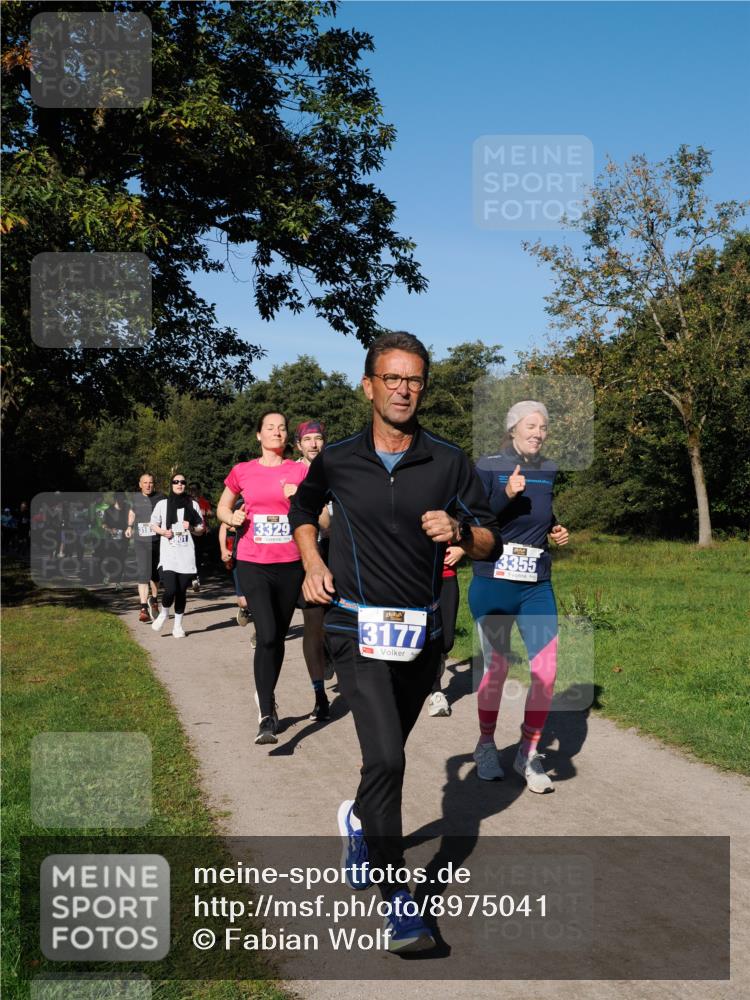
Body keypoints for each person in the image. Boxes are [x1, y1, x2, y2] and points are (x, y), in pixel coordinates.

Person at [290, 331, 502, 953]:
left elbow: (491, 537)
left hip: (421, 631)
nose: (404, 389)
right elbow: (303, 507)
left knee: (387, 754)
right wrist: (309, 559)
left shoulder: (448, 460)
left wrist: (462, 529)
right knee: (387, 759)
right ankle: (400, 903)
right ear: (369, 386)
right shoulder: (338, 459)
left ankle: (359, 820)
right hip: (352, 624)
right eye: (392, 378)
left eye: (414, 380)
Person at [469, 400, 570, 792]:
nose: (538, 432)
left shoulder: (549, 469)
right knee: (497, 668)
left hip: (537, 585)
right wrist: (505, 494)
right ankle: (485, 745)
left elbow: (542, 513)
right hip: (494, 580)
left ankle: (527, 752)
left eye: (543, 427)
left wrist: (556, 529)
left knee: (546, 672)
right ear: (512, 429)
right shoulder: (488, 466)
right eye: (531, 426)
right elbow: (475, 519)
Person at [216, 412, 308, 745]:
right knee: (267, 633)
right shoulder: (243, 471)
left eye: (282, 427)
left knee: (277, 638)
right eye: (270, 427)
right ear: (259, 435)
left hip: (290, 563)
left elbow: (324, 520)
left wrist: (300, 497)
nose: (276, 431)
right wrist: (233, 516)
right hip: (253, 561)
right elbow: (222, 509)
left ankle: (266, 695)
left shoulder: (301, 471)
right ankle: (266, 713)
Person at [294, 420, 332, 722]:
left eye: (319, 438)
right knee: (313, 623)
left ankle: (330, 652)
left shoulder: (336, 469)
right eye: (308, 440)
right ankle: (319, 694)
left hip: (334, 552)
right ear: (299, 445)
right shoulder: (289, 472)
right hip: (299, 557)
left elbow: (330, 525)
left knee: (336, 623)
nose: (314, 444)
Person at [150, 474, 204, 637]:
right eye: (176, 482)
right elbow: (153, 524)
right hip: (169, 554)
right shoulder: (162, 504)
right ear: (171, 484)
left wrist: (192, 527)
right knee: (170, 589)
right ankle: (164, 613)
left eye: (182, 482)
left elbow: (201, 529)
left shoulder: (192, 504)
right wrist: (163, 532)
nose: (179, 484)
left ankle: (178, 626)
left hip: (186, 554)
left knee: (181, 592)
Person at [426, 545, 464, 717]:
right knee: (426, 637)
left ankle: (432, 667)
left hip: (447, 577)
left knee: (446, 641)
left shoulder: (457, 516)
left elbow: (479, 528)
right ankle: (436, 693)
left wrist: (463, 549)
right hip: (418, 580)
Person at [126, 473, 165, 622]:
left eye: (151, 483)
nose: (148, 485)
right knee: (143, 571)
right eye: (145, 483)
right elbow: (132, 512)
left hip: (157, 540)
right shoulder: (135, 498)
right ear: (140, 484)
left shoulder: (161, 498)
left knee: (155, 573)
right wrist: (129, 526)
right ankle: (143, 607)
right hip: (141, 541)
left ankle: (154, 601)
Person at [218, 499, 253, 633]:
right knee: (244, 601)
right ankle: (244, 609)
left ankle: (261, 634)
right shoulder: (239, 504)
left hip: (261, 560)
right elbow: (223, 526)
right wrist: (223, 550)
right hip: (240, 558)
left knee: (263, 597)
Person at [101, 493, 131, 590]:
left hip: (124, 538)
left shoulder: (127, 510)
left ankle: (118, 582)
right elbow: (103, 525)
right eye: (118, 498)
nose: (120, 500)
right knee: (111, 558)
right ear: (115, 499)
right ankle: (108, 574)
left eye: (122, 498)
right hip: (111, 539)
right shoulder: (108, 510)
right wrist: (110, 530)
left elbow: (132, 522)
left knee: (121, 559)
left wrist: (130, 529)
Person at [188, 482, 213, 592]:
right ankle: (190, 576)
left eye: (194, 489)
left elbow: (212, 514)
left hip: (200, 532)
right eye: (191, 489)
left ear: (198, 490)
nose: (192, 492)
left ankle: (195, 576)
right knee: (189, 554)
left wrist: (206, 512)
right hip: (188, 532)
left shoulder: (203, 501)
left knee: (198, 555)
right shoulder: (186, 501)